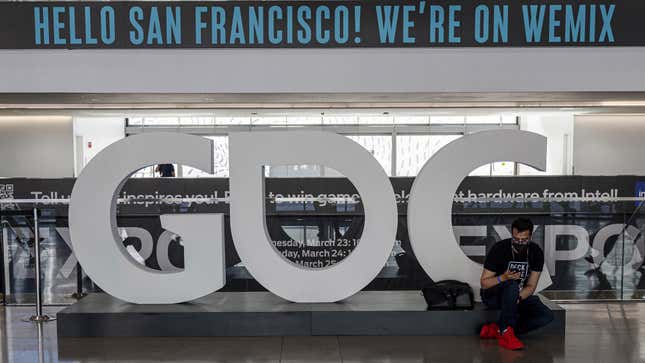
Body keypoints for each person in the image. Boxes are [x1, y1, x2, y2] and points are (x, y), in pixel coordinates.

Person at [479, 218, 554, 350]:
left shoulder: (536, 252)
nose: (519, 242)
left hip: (518, 296)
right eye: (515, 239)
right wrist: (503, 277)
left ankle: (500, 330)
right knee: (511, 284)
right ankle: (507, 333)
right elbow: (485, 284)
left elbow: (531, 286)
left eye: (523, 240)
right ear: (512, 234)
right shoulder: (499, 249)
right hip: (493, 295)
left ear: (530, 236)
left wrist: (518, 298)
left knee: (546, 315)